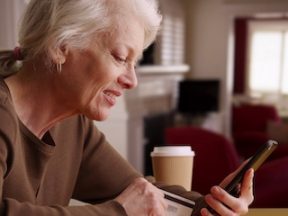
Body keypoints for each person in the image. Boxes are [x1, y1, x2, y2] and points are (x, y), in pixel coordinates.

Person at [0, 0, 254, 215]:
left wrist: (210, 205)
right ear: (60, 45)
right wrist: (118, 211)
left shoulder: (71, 123)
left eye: (134, 63)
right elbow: (127, 206)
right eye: (121, 57)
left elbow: (140, 191)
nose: (132, 81)